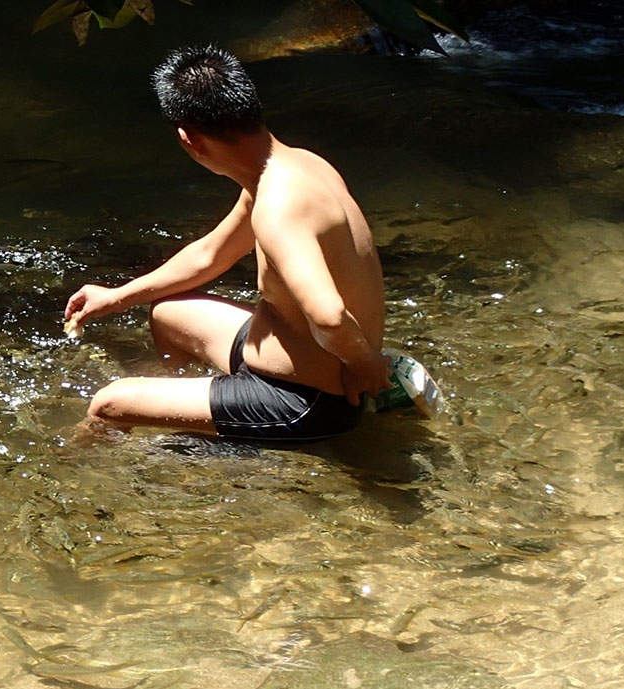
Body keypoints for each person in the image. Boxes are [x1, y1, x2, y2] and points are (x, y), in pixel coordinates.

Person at [64, 44, 389, 442]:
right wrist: (117, 297)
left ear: (189, 139)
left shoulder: (278, 207)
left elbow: (329, 317)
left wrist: (366, 365)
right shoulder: (296, 166)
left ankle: (83, 466)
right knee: (168, 313)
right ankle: (195, 425)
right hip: (283, 365)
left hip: (303, 401)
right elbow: (210, 255)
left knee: (108, 404)